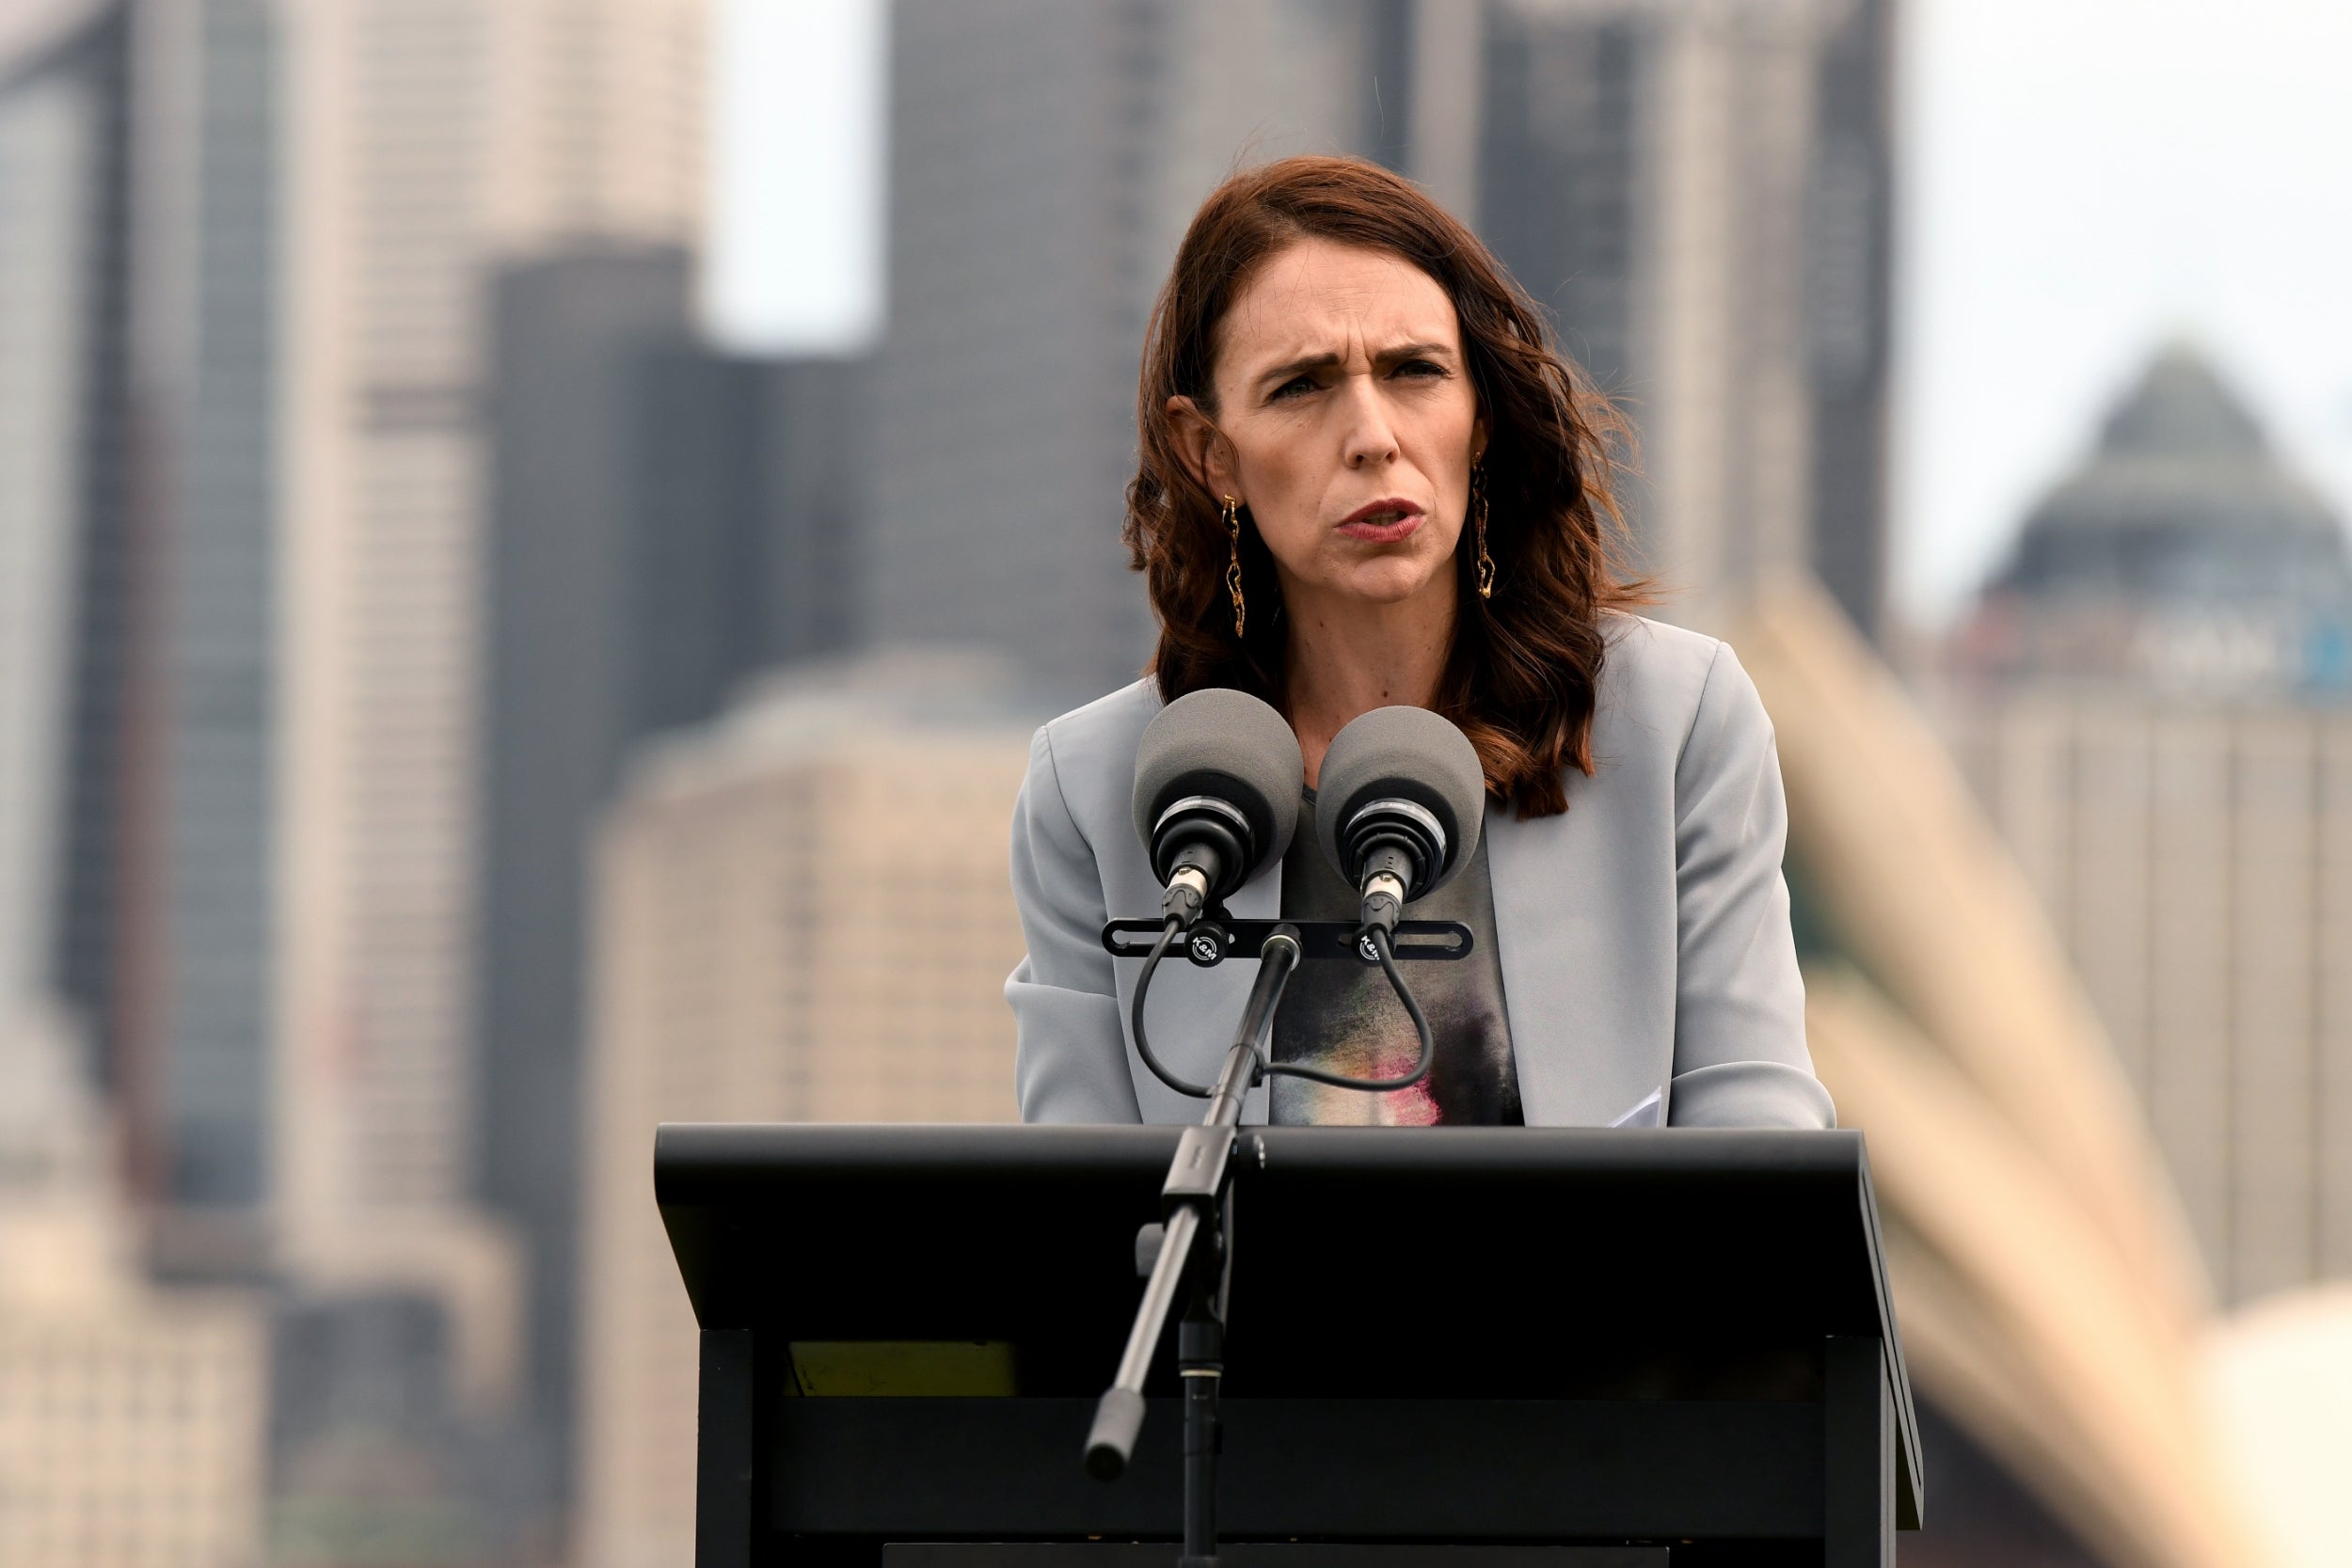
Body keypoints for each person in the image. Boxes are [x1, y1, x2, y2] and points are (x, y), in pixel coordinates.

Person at [1006, 154, 1833, 1132]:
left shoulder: (1674, 719)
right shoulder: (1093, 786)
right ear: (1210, 455)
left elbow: (1758, 1142)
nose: (1370, 434)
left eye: (1414, 372)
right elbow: (1078, 1209)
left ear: (1479, 416)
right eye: (1300, 386)